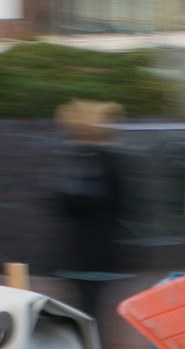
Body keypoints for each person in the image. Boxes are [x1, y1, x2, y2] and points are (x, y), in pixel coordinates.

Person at [52, 100, 130, 318]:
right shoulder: (108, 160)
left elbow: (60, 203)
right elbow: (124, 204)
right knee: (89, 311)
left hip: (77, 253)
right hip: (99, 252)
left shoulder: (75, 158)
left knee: (83, 310)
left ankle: (85, 347)